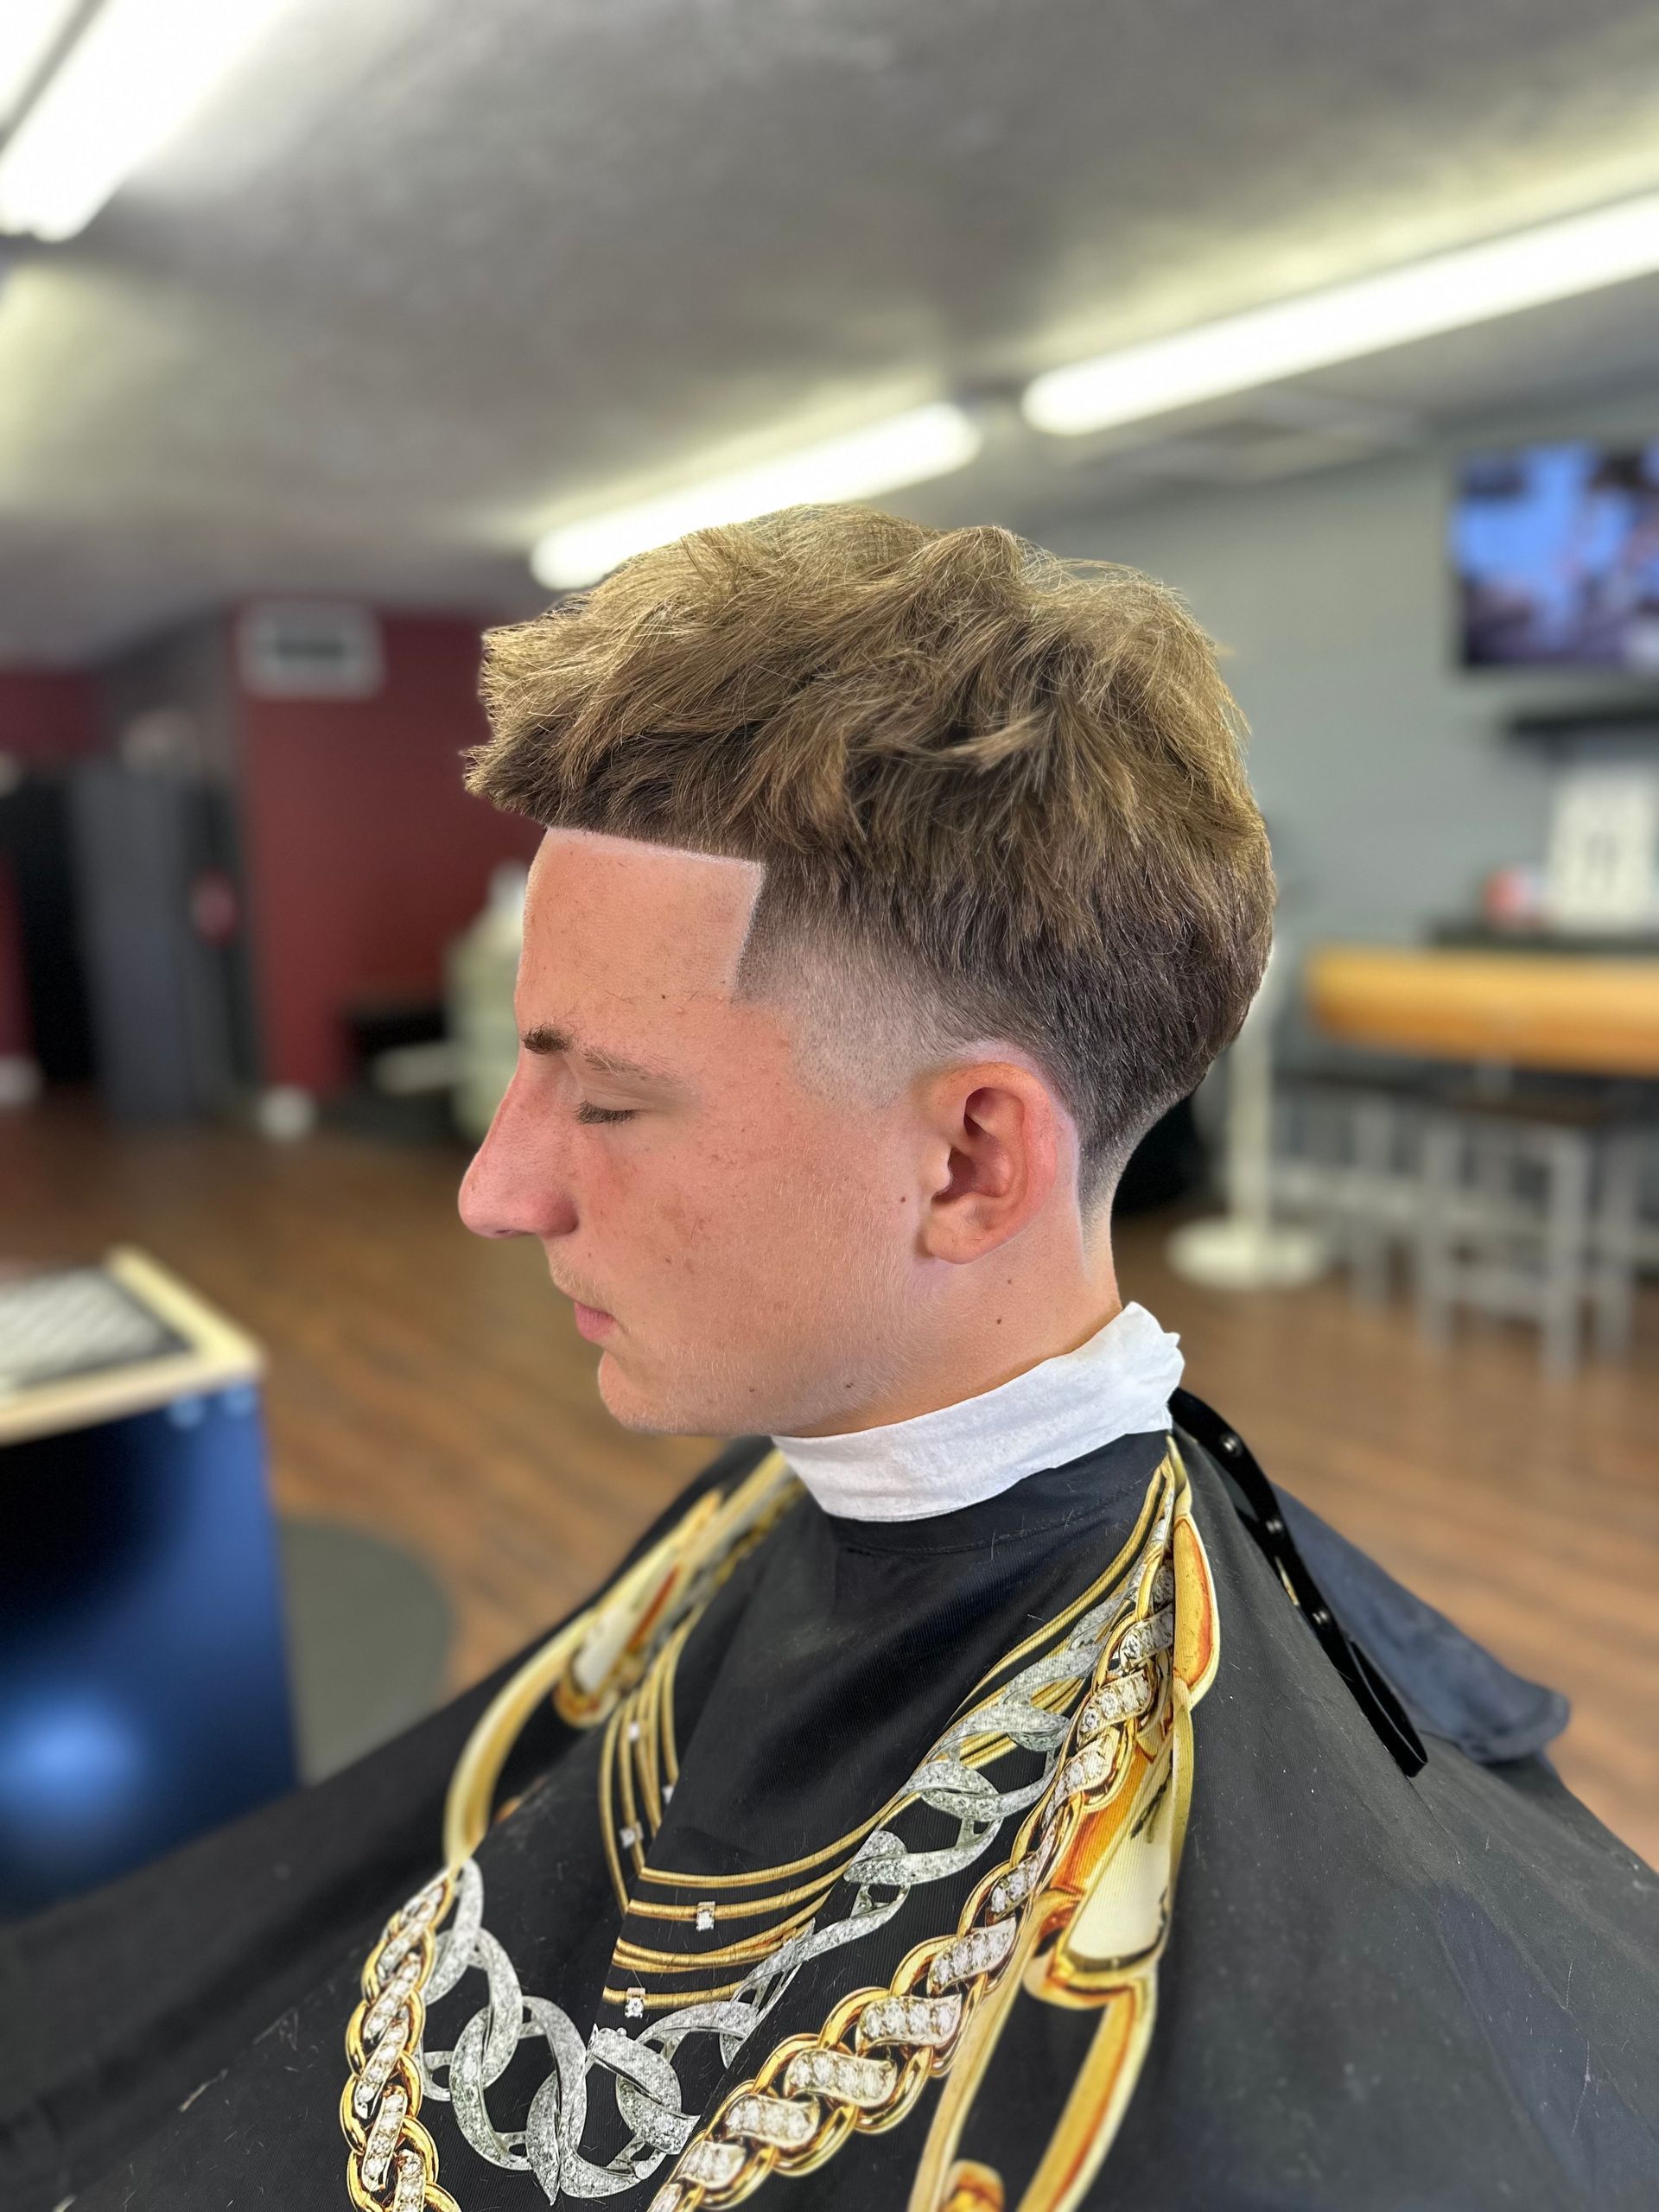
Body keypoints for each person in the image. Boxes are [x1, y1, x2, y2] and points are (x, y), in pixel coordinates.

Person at [3, 510, 1654, 2212]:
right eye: (523, 1072)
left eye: (612, 1098)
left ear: (968, 1163)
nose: (497, 1187)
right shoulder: (777, 1492)